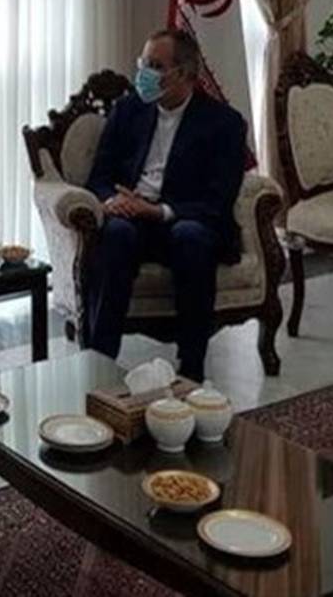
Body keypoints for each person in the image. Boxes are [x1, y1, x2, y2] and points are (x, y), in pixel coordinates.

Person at [83, 29, 247, 381]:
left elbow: (218, 200)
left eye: (156, 66)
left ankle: (191, 370)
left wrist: (160, 211)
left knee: (192, 238)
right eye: (143, 63)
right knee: (116, 235)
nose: (144, 73)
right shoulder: (128, 110)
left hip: (183, 217)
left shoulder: (224, 124)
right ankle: (99, 363)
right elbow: (99, 176)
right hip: (131, 216)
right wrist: (112, 201)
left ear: (184, 73)